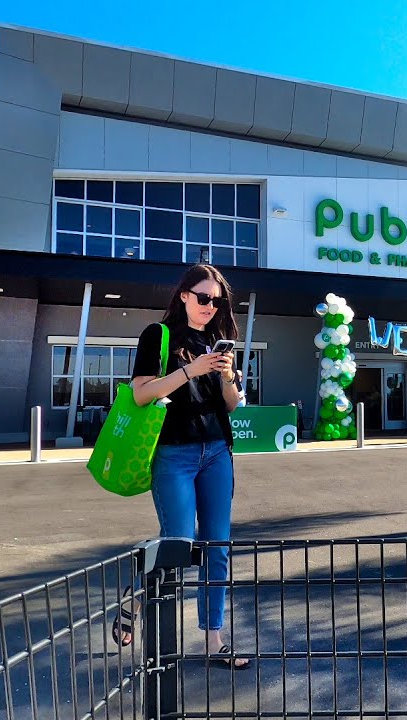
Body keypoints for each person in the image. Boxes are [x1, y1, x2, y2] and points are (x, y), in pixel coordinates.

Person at [119, 264, 248, 669]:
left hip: (217, 452)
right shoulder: (157, 336)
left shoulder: (216, 342)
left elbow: (228, 405)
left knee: (218, 547)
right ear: (184, 295)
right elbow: (141, 394)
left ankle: (214, 639)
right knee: (177, 542)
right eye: (204, 297)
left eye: (217, 300)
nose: (211, 306)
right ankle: (138, 601)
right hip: (173, 453)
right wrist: (190, 369)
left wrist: (228, 378)